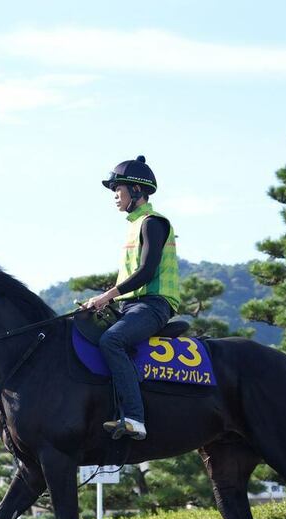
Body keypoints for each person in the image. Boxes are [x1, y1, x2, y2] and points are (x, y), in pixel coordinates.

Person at [84, 155, 180, 440]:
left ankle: (135, 418)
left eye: (119, 190)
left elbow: (147, 272)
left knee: (111, 340)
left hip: (154, 304)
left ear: (136, 191)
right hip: (130, 306)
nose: (115, 196)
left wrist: (107, 296)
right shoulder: (133, 225)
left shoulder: (153, 223)